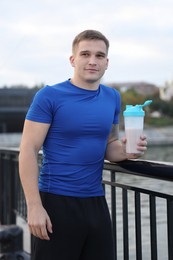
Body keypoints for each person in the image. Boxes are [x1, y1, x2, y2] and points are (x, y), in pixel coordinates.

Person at [19, 29, 147, 260]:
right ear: (73, 59)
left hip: (96, 203)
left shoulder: (112, 97)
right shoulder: (49, 96)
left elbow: (110, 145)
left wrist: (130, 151)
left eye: (99, 56)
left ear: (107, 62)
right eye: (85, 54)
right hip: (56, 201)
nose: (92, 61)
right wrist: (34, 206)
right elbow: (28, 150)